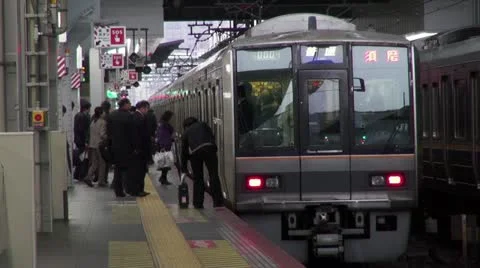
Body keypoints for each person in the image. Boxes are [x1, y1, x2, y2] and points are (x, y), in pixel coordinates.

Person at [181, 117, 224, 208]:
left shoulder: (186, 132)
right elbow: (212, 136)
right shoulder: (204, 124)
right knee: (213, 175)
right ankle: (218, 202)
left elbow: (184, 152)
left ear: (186, 126)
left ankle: (198, 203)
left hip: (196, 152)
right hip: (210, 149)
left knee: (198, 178)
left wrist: (184, 168)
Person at [106, 98, 134, 197]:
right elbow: (132, 133)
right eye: (129, 103)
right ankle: (127, 188)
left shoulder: (112, 115)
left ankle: (118, 190)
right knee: (127, 169)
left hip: (114, 146)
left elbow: (108, 132)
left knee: (118, 169)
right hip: (126, 147)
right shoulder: (129, 116)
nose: (130, 105)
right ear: (125, 104)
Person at [130, 100, 151, 197]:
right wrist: (138, 149)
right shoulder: (138, 118)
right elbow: (138, 136)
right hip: (140, 150)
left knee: (140, 171)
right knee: (139, 171)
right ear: (143, 108)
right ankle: (138, 190)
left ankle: (139, 189)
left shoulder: (137, 117)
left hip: (139, 150)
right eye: (147, 108)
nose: (147, 111)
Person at [85, 107, 108, 187]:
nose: (104, 114)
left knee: (94, 163)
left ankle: (88, 176)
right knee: (102, 163)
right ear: (101, 113)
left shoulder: (93, 121)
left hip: (93, 145)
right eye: (103, 112)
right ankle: (101, 181)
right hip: (100, 145)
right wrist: (107, 137)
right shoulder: (103, 122)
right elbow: (102, 134)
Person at [73, 99, 93, 187]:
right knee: (84, 159)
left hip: (78, 140)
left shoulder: (77, 115)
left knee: (81, 158)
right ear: (87, 108)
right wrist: (86, 141)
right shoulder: (85, 116)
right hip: (82, 141)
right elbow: (85, 130)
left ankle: (78, 174)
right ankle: (81, 174)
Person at [156, 110, 174, 185]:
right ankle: (163, 179)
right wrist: (163, 146)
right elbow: (163, 136)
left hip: (164, 145)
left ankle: (163, 178)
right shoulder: (164, 125)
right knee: (165, 163)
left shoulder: (161, 123)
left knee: (165, 163)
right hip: (165, 146)